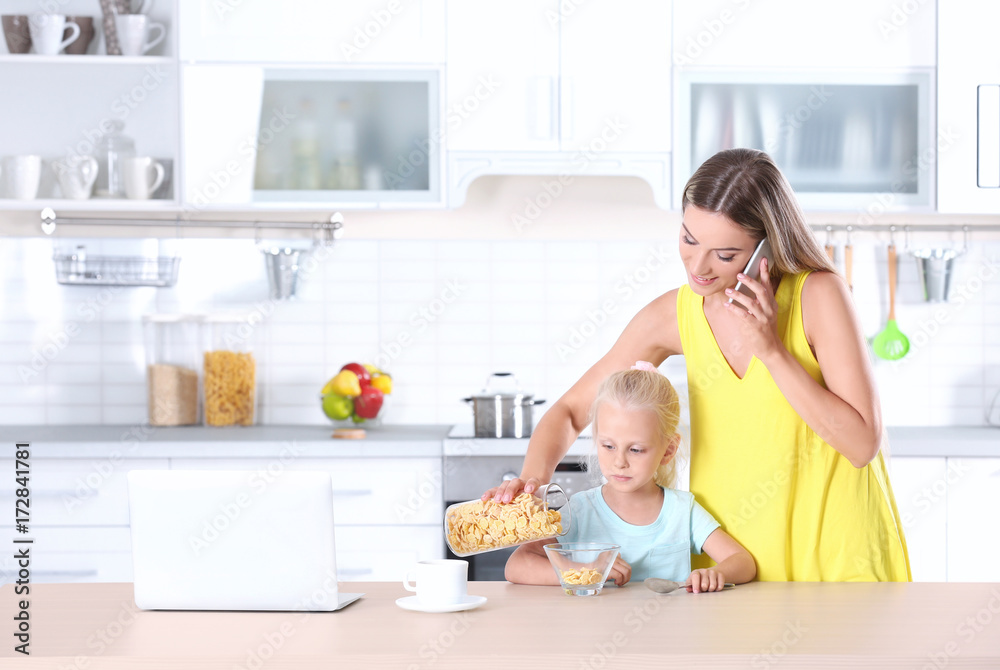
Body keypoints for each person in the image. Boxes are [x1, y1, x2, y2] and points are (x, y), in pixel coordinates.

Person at [487, 148, 911, 582]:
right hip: (732, 563)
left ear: (767, 245)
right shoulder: (676, 315)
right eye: (689, 239)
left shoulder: (819, 295)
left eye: (725, 255)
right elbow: (571, 411)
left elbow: (861, 444)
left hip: (835, 550)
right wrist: (531, 484)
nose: (699, 266)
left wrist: (771, 350)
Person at [505, 364, 756, 591]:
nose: (620, 462)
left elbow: (742, 562)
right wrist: (582, 572)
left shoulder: (682, 510)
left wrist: (714, 574)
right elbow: (516, 565)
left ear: (668, 450)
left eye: (635, 450)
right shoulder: (580, 511)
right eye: (608, 446)